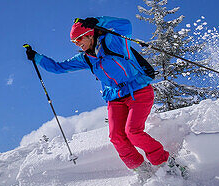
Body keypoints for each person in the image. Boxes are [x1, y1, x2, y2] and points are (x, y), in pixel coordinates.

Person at [26, 16, 174, 172]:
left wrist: (98, 21)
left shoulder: (113, 42)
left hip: (138, 91)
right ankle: (143, 172)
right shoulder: (86, 58)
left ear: (90, 34)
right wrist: (36, 57)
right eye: (74, 42)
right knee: (116, 137)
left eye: (79, 38)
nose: (77, 43)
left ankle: (165, 164)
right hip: (115, 98)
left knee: (133, 132)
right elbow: (59, 68)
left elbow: (125, 25)